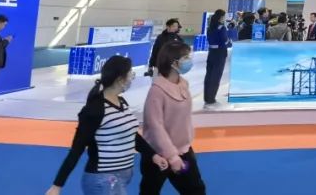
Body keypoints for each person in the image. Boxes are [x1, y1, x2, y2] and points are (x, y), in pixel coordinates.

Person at [48, 56, 167, 195]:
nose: (132, 78)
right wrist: (57, 186)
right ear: (120, 79)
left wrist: (153, 155)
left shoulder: (121, 102)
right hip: (104, 179)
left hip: (122, 176)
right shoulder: (95, 109)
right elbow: (77, 149)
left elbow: (131, 135)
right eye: (131, 74)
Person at [142, 41, 206, 194]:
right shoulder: (157, 91)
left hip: (183, 150)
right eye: (185, 57)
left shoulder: (183, 84)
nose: (189, 60)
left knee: (196, 190)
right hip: (159, 156)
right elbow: (155, 126)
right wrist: (172, 156)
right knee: (150, 191)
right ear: (173, 62)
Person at [203, 9, 231, 108]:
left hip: (211, 52)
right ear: (221, 17)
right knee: (216, 76)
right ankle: (211, 98)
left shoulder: (210, 27)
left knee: (209, 75)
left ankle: (207, 97)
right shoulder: (221, 28)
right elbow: (225, 40)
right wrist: (229, 42)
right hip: (220, 53)